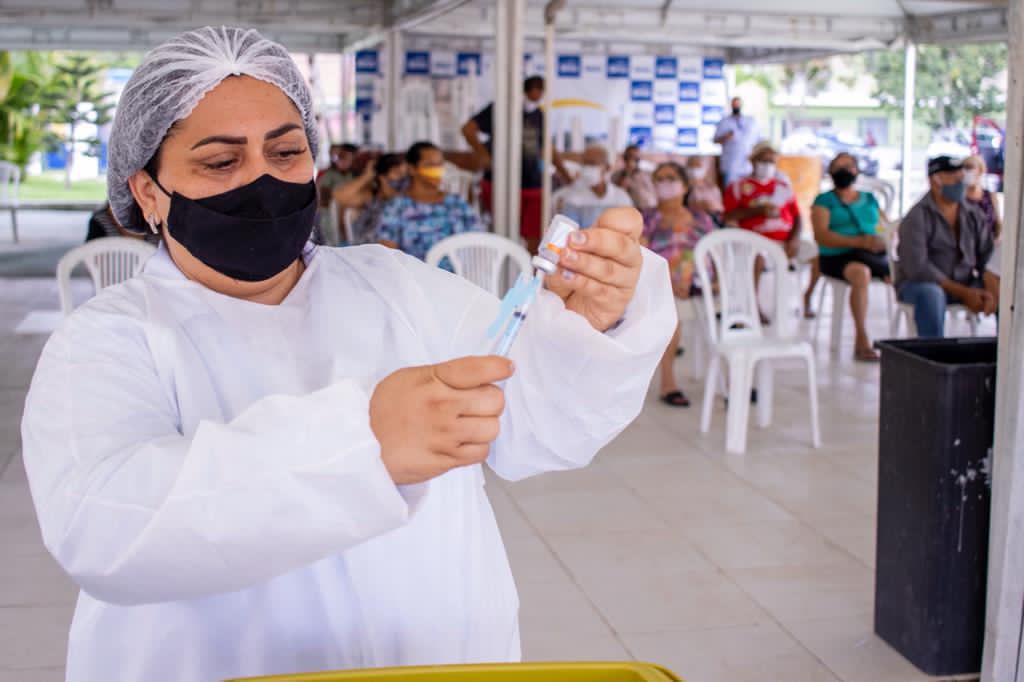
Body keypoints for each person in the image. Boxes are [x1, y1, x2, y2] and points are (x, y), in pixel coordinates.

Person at [19, 27, 675, 682]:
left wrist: (590, 323)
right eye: (220, 162)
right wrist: (363, 443)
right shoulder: (108, 338)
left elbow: (538, 422)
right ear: (148, 191)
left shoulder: (397, 288)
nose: (263, 181)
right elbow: (103, 529)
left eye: (287, 150)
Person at [462, 76, 568, 253]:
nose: (537, 94)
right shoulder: (500, 109)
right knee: (500, 232)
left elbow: (546, 147)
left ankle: (528, 274)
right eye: (534, 90)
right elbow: (467, 129)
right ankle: (499, 270)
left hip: (531, 183)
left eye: (540, 91)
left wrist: (565, 174)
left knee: (534, 234)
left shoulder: (538, 115)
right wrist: (483, 154)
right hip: (499, 182)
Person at [896, 155, 997, 338]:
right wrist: (965, 293)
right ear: (935, 181)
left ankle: (1003, 360)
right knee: (931, 295)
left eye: (961, 178)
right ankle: (933, 359)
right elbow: (918, 268)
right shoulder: (917, 217)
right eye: (954, 178)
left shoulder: (973, 213)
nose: (960, 183)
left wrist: (991, 286)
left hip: (964, 281)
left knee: (1004, 290)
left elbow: (987, 255)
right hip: (920, 285)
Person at [641, 162, 716, 407]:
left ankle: (735, 383)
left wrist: (713, 283)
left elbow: (714, 255)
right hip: (662, 285)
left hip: (700, 284)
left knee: (734, 314)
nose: (665, 184)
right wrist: (670, 285)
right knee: (669, 313)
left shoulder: (702, 218)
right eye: (659, 179)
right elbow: (641, 258)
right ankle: (668, 382)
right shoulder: (647, 218)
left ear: (685, 185)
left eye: (671, 178)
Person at [810, 153, 890, 361]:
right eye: (838, 167)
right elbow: (821, 235)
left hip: (870, 254)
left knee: (902, 272)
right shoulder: (824, 201)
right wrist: (858, 242)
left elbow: (885, 227)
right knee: (861, 273)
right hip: (836, 256)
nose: (844, 171)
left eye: (848, 166)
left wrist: (880, 240)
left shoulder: (869, 199)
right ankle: (861, 337)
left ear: (857, 170)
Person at [376, 141, 481, 263]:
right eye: (429, 165)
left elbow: (477, 243)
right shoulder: (396, 207)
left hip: (456, 278)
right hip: (414, 278)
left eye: (440, 164)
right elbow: (388, 256)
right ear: (412, 169)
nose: (437, 170)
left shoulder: (457, 204)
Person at [722, 141, 802, 259]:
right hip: (752, 244)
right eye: (763, 160)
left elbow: (797, 217)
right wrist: (759, 210)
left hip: (784, 241)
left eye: (771, 161)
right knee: (759, 256)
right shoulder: (737, 187)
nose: (767, 165)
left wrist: (795, 239)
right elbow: (727, 216)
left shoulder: (784, 187)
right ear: (752, 160)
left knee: (812, 252)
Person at [333, 152, 408, 244]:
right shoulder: (371, 196)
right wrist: (367, 176)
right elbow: (339, 196)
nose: (403, 179)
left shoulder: (407, 199)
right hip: (369, 251)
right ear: (382, 177)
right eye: (398, 173)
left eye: (405, 174)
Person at [553, 144, 634, 228]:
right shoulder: (573, 198)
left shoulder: (622, 198)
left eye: (592, 164)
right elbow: (568, 231)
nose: (587, 168)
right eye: (584, 164)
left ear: (607, 167)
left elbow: (628, 230)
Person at [314, 143, 359, 244]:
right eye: (342, 158)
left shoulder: (352, 175)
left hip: (347, 218)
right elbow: (323, 200)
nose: (345, 162)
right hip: (330, 217)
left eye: (350, 160)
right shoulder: (329, 175)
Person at [713, 96, 760, 188]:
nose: (736, 106)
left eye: (738, 104)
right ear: (731, 105)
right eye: (734, 104)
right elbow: (715, 140)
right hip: (730, 164)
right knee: (730, 192)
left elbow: (758, 140)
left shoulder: (750, 121)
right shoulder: (724, 122)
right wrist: (726, 136)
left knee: (747, 192)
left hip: (747, 165)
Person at [963, 154, 1002, 240]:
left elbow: (998, 224)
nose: (966, 171)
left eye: (970, 167)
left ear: (980, 170)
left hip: (987, 248)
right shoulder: (958, 198)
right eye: (964, 168)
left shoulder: (990, 196)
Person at [611, 144, 656, 210]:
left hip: (646, 210)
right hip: (626, 211)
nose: (631, 160)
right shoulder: (616, 176)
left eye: (635, 158)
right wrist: (626, 173)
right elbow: (616, 195)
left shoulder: (647, 174)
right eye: (628, 157)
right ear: (624, 157)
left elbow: (651, 196)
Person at [684, 156, 724, 224]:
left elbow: (720, 208)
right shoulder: (684, 189)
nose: (694, 170)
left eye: (698, 166)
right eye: (692, 166)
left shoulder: (713, 188)